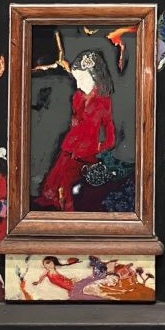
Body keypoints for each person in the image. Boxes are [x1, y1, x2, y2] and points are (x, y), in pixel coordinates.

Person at [34, 46, 116, 211]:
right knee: (54, 185)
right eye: (76, 79)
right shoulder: (78, 96)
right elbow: (76, 121)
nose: (78, 84)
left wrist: (101, 146)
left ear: (95, 77)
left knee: (70, 190)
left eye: (82, 79)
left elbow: (109, 129)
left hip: (87, 153)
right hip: (70, 147)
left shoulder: (103, 101)